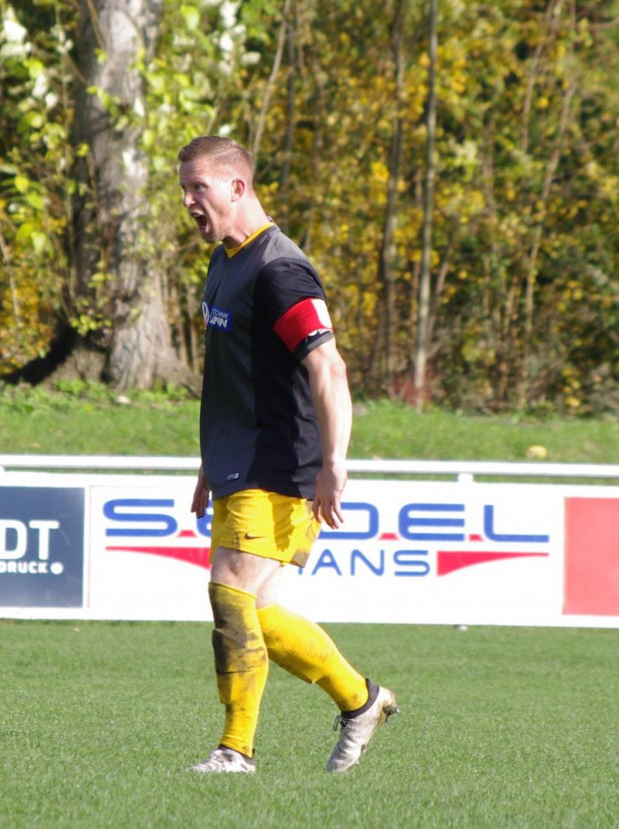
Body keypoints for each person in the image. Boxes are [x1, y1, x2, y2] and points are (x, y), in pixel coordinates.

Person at [179, 135, 398, 774]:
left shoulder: (280, 270)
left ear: (237, 187)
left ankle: (235, 751)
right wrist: (209, 461)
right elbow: (232, 375)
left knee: (229, 594)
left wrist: (335, 462)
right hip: (237, 459)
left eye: (198, 188)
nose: (188, 201)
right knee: (261, 613)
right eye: (184, 189)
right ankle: (362, 701)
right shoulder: (225, 261)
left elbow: (328, 367)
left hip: (279, 462)